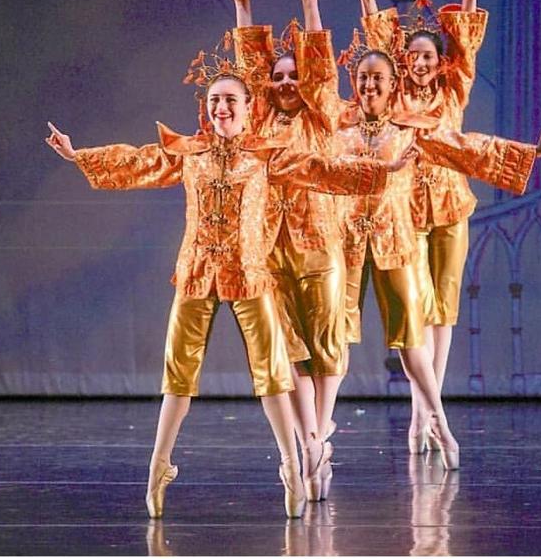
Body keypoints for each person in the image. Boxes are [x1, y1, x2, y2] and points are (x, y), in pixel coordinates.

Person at [44, 54, 414, 519]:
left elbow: (322, 169)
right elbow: (139, 162)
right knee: (178, 374)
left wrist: (384, 170)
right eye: (215, 101)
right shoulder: (191, 153)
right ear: (207, 108)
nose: (221, 108)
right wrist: (79, 156)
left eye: (230, 101)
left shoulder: (265, 156)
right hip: (196, 274)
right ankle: (158, 467)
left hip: (249, 276)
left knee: (273, 375)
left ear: (247, 106)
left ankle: (292, 467)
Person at [353, 0, 541, 453]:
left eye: (428, 55)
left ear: (437, 61)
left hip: (449, 207)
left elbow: (465, 45)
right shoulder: (394, 95)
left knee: (443, 310)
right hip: (405, 209)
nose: (420, 62)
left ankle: (426, 412)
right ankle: (426, 412)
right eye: (413, 56)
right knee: (414, 311)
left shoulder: (453, 89)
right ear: (403, 63)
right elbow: (377, 42)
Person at [229, 0, 347, 501]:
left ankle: (318, 436)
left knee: (326, 347)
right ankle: (309, 443)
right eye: (277, 78)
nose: (284, 83)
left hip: (318, 243)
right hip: (269, 250)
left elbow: (320, 68)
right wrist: (243, 8)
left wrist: (310, 4)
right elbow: (250, 71)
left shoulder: (319, 117)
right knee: (289, 348)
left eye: (291, 76)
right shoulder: (257, 120)